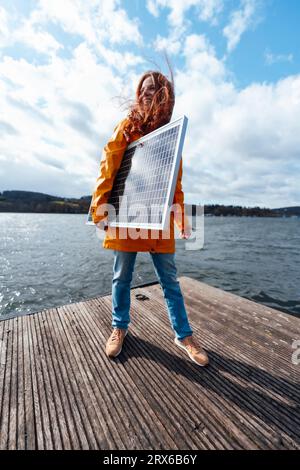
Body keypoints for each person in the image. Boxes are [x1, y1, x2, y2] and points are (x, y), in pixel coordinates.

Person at [90, 71, 209, 367]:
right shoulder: (128, 126)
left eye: (153, 89)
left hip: (157, 217)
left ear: (163, 95)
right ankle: (119, 327)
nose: (146, 93)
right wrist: (99, 204)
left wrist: (181, 219)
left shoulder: (170, 134)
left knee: (169, 279)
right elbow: (110, 162)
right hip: (128, 213)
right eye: (143, 89)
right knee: (121, 276)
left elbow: (174, 184)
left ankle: (184, 336)